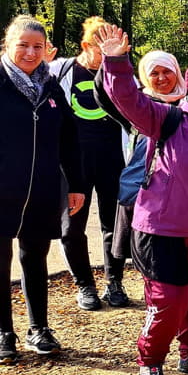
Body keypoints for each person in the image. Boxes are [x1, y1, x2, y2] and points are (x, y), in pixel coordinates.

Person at [96, 24, 188, 375]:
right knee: (169, 302)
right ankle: (151, 361)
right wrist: (116, 62)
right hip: (161, 230)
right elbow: (126, 98)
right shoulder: (165, 118)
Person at [0, 15, 84, 364]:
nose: (30, 52)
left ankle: (39, 328)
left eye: (37, 46)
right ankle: (4, 332)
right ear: (7, 45)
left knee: (35, 259)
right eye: (23, 45)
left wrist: (75, 184)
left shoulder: (50, 86)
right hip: (1, 192)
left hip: (41, 191)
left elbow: (69, 137)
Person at [46, 17, 127, 311]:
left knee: (114, 225)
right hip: (72, 164)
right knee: (71, 227)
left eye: (114, 48)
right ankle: (85, 285)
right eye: (101, 47)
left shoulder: (118, 73)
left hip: (112, 160)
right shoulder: (60, 70)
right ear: (85, 45)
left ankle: (114, 282)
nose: (108, 53)